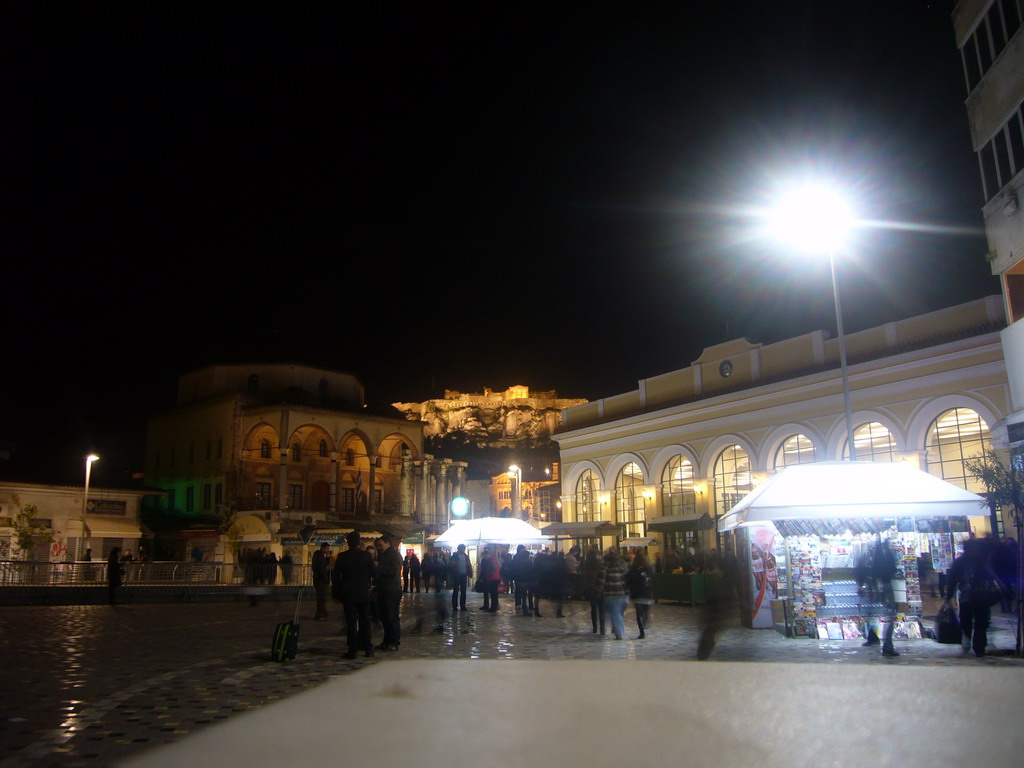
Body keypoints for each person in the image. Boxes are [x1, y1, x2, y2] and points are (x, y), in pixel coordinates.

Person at [946, 537, 1001, 657]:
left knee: (968, 620)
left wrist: (948, 596)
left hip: (968, 596)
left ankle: (970, 641)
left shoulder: (962, 562)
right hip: (981, 596)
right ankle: (979, 646)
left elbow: (952, 579)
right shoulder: (981, 561)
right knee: (980, 621)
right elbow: (991, 575)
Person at [333, 531, 376, 659]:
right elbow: (373, 573)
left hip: (348, 593)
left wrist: (337, 592)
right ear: (358, 542)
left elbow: (336, 577)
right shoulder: (366, 556)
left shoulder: (342, 556)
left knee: (351, 622)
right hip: (363, 591)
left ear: (348, 542)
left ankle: (353, 650)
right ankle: (368, 648)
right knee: (365, 621)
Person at [856, 537, 900, 658]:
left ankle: (872, 638)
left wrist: (862, 585)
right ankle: (887, 646)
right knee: (889, 617)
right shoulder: (886, 554)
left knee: (871, 615)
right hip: (885, 586)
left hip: (872, 587)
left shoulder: (866, 556)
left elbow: (859, 570)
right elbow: (892, 569)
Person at [374, 536, 404, 651]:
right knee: (385, 617)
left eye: (381, 545)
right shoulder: (383, 554)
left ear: (387, 543)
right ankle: (387, 641)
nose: (379, 547)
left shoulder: (394, 555)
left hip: (392, 590)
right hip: (383, 589)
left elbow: (394, 571)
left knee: (392, 617)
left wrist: (379, 567)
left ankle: (394, 642)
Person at [597, 548, 628, 640]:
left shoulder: (605, 567)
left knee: (614, 613)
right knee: (618, 613)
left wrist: (598, 591)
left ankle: (618, 633)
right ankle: (618, 631)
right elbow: (625, 580)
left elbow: (601, 581)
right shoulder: (621, 566)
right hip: (621, 593)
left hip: (610, 593)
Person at [627, 550, 655, 639]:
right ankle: (645, 620)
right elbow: (652, 579)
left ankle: (641, 631)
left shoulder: (633, 568)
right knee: (645, 610)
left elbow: (628, 578)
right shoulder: (649, 567)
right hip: (647, 593)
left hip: (637, 593)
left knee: (639, 614)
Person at [582, 546, 606, 634]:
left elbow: (585, 577)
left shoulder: (588, 566)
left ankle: (595, 627)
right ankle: (602, 628)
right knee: (602, 609)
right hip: (601, 588)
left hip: (592, 588)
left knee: (593, 608)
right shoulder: (601, 564)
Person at [510, 545, 536, 616]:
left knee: (523, 595)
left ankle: (524, 607)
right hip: (526, 580)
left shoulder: (519, 561)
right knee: (527, 594)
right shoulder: (529, 562)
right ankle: (527, 608)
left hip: (520, 580)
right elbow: (532, 572)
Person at [448, 543, 473, 612]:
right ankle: (455, 606)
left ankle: (462, 606)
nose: (462, 550)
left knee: (463, 591)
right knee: (455, 591)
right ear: (458, 549)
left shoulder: (466, 556)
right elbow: (450, 565)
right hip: (456, 575)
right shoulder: (454, 556)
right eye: (461, 548)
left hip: (463, 575)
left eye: (463, 549)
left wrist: (469, 573)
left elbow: (468, 565)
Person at [311, 542, 332, 621]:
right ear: (323, 548)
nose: (328, 550)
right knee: (321, 597)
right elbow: (322, 568)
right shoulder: (319, 555)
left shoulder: (319, 555)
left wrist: (327, 557)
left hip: (318, 579)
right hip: (320, 580)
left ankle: (323, 613)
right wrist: (325, 579)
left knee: (321, 597)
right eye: (327, 548)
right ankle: (320, 614)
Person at [478, 547, 501, 612]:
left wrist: (489, 577)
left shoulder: (492, 560)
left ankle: (494, 607)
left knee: (493, 593)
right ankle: (487, 606)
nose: (485, 556)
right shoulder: (485, 560)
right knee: (489, 593)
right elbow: (483, 570)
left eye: (486, 554)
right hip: (489, 578)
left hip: (493, 579)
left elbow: (493, 570)